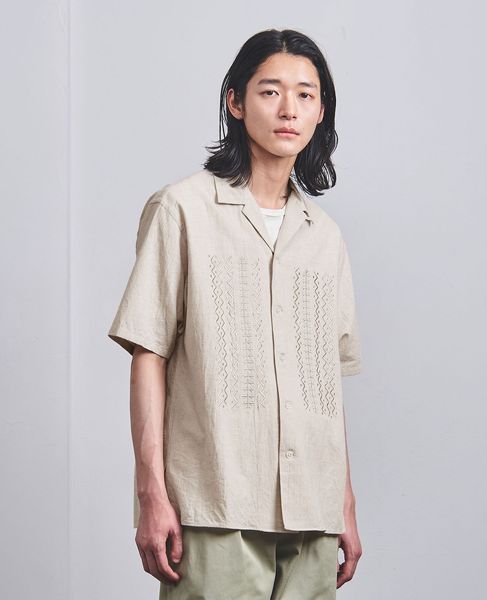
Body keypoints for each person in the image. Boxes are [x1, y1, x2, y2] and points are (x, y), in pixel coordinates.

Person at [108, 28, 363, 599]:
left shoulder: (324, 237)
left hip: (313, 511)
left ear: (321, 110)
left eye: (306, 94)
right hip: (216, 502)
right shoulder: (182, 209)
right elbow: (148, 353)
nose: (289, 109)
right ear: (236, 101)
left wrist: (343, 502)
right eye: (270, 91)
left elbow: (326, 386)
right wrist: (151, 494)